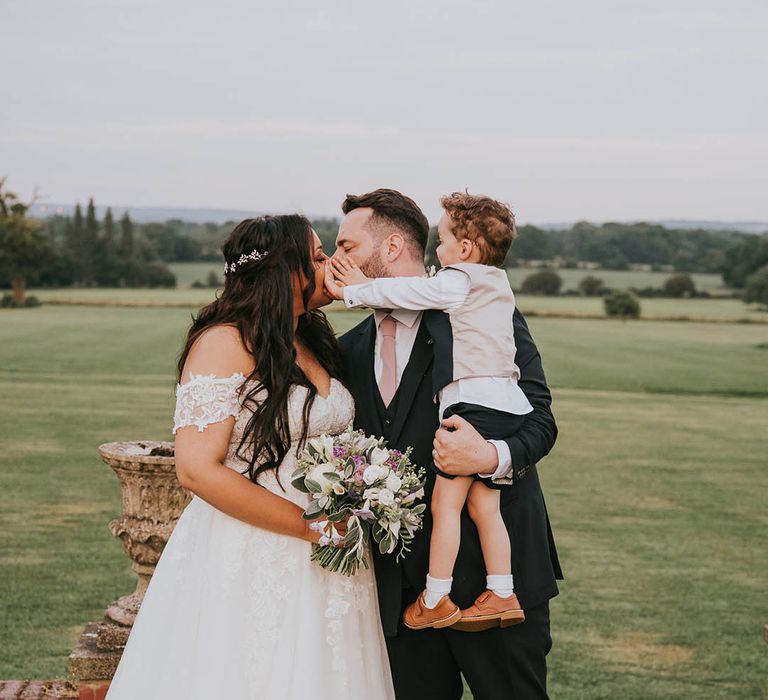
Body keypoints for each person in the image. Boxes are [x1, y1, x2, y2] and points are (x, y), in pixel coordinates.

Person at [106, 215, 395, 700]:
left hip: (331, 554)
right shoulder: (225, 342)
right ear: (286, 269)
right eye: (319, 255)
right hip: (251, 547)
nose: (330, 265)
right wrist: (308, 526)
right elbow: (196, 470)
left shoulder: (311, 339)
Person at [331, 189, 562, 700]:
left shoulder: (482, 313)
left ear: (390, 248)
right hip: (400, 595)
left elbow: (541, 420)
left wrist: (490, 457)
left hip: (495, 584)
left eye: (346, 245)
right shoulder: (346, 350)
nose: (335, 257)